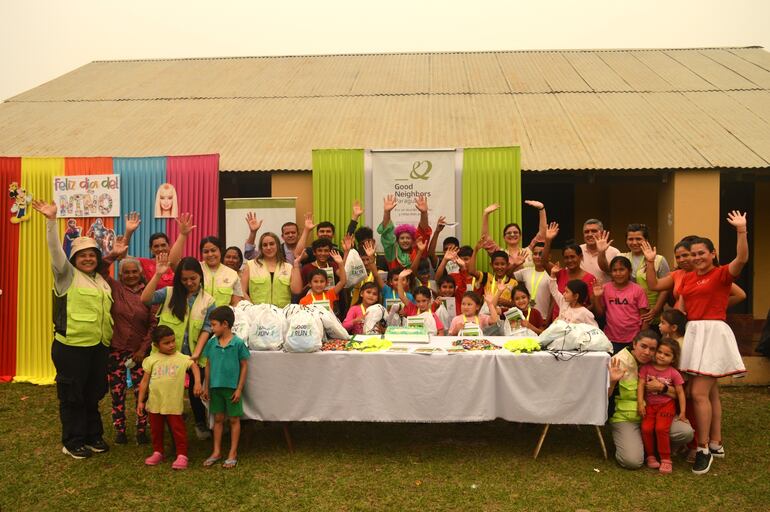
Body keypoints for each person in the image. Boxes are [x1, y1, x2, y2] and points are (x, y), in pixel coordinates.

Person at [641, 211, 748, 475]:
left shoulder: (722, 274)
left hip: (712, 333)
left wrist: (742, 230)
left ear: (712, 254)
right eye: (694, 253)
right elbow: (658, 288)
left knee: (699, 393)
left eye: (702, 253)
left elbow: (742, 259)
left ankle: (703, 449)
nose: (698, 257)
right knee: (704, 392)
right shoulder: (685, 277)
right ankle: (714, 442)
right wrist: (651, 262)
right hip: (694, 333)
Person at [32, 199, 114, 459]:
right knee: (72, 396)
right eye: (82, 255)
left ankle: (93, 436)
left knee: (93, 393)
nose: (88, 258)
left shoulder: (100, 279)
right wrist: (50, 221)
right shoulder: (65, 275)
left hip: (98, 346)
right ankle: (72, 440)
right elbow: (56, 251)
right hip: (71, 348)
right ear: (74, 259)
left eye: (92, 254)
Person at [141, 254, 215, 440]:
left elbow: (207, 328)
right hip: (166, 355)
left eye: (193, 278)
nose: (189, 283)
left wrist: (197, 354)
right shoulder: (168, 293)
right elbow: (145, 299)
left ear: (200, 277)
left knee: (196, 391)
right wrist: (158, 275)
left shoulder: (209, 300)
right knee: (165, 389)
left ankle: (199, 423)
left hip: (193, 355)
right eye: (184, 279)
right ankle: (164, 423)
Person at [607, 330, 694, 469]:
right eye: (643, 346)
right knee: (632, 461)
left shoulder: (660, 360)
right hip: (626, 418)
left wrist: (663, 388)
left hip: (657, 415)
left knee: (685, 432)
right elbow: (602, 399)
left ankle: (655, 448)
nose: (647, 352)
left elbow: (681, 393)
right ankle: (639, 443)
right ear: (634, 344)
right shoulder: (619, 361)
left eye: (652, 349)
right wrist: (611, 382)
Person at [100, 234, 152, 445]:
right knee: (117, 392)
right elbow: (101, 269)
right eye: (126, 272)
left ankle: (142, 430)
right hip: (116, 349)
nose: (130, 275)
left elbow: (153, 324)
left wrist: (142, 349)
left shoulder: (149, 292)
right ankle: (120, 429)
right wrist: (114, 255)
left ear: (140, 274)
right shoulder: (114, 287)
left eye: (134, 272)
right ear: (120, 274)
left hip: (140, 352)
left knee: (143, 392)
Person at [136, 325, 201, 470]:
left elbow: (194, 367)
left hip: (173, 404)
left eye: (173, 341)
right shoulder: (151, 360)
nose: (171, 345)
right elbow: (144, 382)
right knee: (156, 429)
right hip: (155, 403)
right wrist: (140, 401)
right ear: (156, 345)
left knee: (178, 430)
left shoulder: (182, 358)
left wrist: (197, 383)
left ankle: (182, 455)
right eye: (166, 343)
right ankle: (158, 451)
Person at [201, 306, 250, 469]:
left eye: (214, 325)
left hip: (232, 390)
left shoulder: (238, 343)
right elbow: (207, 365)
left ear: (225, 324)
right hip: (215, 389)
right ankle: (216, 451)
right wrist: (206, 387)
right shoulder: (211, 343)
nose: (211, 328)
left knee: (234, 420)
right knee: (219, 419)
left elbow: (244, 366)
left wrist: (239, 389)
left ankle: (232, 453)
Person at [597, 225, 670, 328]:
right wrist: (601, 252)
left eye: (638, 239)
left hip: (651, 314)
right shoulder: (622, 257)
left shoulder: (659, 260)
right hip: (627, 316)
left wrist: (656, 309)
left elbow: (665, 289)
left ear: (646, 240)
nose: (634, 242)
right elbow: (605, 268)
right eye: (630, 239)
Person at [168, 213, 243, 307]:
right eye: (206, 251)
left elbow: (236, 303)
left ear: (221, 251)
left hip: (221, 319)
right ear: (201, 253)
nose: (210, 254)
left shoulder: (232, 274)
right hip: (196, 318)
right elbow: (172, 262)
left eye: (213, 250)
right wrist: (183, 235)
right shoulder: (195, 268)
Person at [637, 338, 687, 474]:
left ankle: (666, 458)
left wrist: (682, 412)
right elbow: (641, 384)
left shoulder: (673, 373)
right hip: (650, 406)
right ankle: (651, 456)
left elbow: (680, 392)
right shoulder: (646, 368)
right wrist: (640, 402)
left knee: (660, 429)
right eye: (659, 352)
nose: (661, 356)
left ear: (673, 359)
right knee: (646, 428)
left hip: (666, 406)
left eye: (667, 354)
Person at [592, 256, 650, 354]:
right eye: (615, 270)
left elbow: (645, 318)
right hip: (610, 338)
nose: (618, 273)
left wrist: (641, 339)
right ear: (611, 273)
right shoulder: (605, 288)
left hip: (633, 339)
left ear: (630, 271)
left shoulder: (638, 290)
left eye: (622, 269)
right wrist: (597, 297)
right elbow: (599, 313)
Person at [542, 223, 597, 321]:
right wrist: (548, 240)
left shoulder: (590, 278)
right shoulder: (559, 273)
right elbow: (544, 262)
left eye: (572, 257)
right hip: (558, 324)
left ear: (580, 257)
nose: (569, 260)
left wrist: (576, 315)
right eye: (566, 258)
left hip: (578, 326)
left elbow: (592, 305)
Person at [479, 200, 547, 267]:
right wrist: (485, 214)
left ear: (520, 236)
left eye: (515, 232)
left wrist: (541, 209)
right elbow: (485, 240)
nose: (512, 234)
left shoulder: (529, 251)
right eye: (509, 233)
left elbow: (542, 234)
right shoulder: (500, 253)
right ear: (504, 237)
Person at [377, 194, 432, 270]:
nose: (405, 240)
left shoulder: (418, 250)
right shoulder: (392, 251)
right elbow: (387, 233)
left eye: (408, 238)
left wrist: (424, 213)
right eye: (402, 238)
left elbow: (423, 232)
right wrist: (387, 212)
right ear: (397, 240)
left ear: (413, 240)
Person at [121, 212, 175, 287]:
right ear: (151, 249)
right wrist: (128, 232)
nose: (160, 249)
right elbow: (122, 256)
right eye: (156, 246)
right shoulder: (145, 263)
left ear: (169, 246)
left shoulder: (176, 262)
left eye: (163, 245)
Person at [240, 232, 293, 307]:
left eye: (271, 244)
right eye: (265, 245)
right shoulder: (251, 265)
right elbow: (242, 291)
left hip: (282, 314)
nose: (268, 247)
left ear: (277, 245)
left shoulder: (288, 267)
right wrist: (252, 308)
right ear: (261, 248)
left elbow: (296, 291)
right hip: (257, 313)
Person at [294, 250, 347, 315]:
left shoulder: (330, 294)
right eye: (315, 281)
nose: (319, 284)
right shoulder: (304, 300)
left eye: (322, 281)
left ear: (327, 283)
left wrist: (340, 263)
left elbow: (343, 282)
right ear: (310, 284)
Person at [467, 247, 517, 311]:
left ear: (507, 265)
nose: (499, 267)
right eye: (496, 264)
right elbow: (471, 271)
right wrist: (475, 250)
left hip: (505, 316)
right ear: (491, 265)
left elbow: (517, 303)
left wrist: (506, 303)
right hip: (487, 314)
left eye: (503, 264)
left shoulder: (514, 283)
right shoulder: (487, 277)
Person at [397, 269, 445, 335]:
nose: (421, 304)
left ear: (429, 299)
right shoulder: (412, 308)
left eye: (424, 301)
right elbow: (401, 296)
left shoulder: (433, 315)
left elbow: (441, 332)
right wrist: (400, 278)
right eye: (418, 301)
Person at [513, 242, 551, 322]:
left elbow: (553, 300)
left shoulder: (551, 274)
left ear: (549, 256)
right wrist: (515, 264)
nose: (537, 257)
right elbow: (508, 274)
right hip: (525, 317)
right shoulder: (525, 272)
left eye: (541, 254)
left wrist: (548, 319)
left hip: (543, 318)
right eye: (535, 254)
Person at [580, 218, 619, 285]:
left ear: (601, 232)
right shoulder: (578, 250)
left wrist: (601, 252)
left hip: (606, 294)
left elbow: (617, 275)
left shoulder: (614, 252)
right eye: (586, 232)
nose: (590, 234)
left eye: (593, 231)